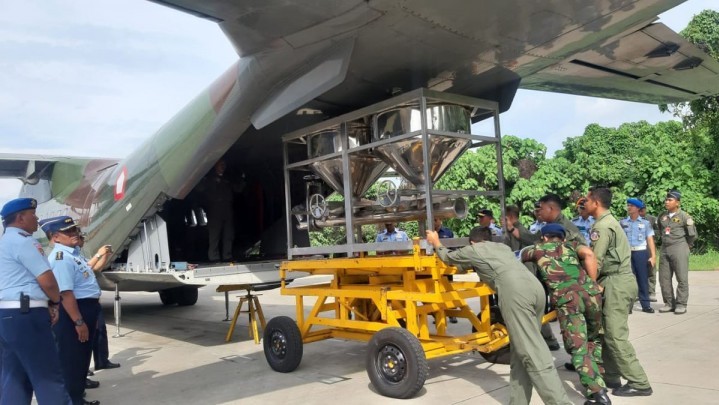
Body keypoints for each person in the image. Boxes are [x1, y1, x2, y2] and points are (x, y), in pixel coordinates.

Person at [426, 226, 572, 405]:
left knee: (532, 352)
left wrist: (436, 242)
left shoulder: (474, 249)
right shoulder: (503, 248)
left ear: (472, 241)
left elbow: (448, 257)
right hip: (535, 289)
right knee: (520, 350)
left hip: (515, 292)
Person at [521, 224, 610, 405]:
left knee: (578, 347)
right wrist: (593, 283)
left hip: (569, 301)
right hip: (591, 296)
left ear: (545, 237)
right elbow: (589, 254)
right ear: (562, 238)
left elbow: (513, 257)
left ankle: (598, 394)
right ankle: (599, 379)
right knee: (593, 339)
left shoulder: (537, 249)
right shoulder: (572, 246)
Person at [0, 198, 72, 405]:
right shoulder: (25, 242)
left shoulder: (4, 243)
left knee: (14, 378)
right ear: (21, 218)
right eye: (33, 214)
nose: (37, 218)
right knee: (47, 377)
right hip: (28, 316)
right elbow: (48, 282)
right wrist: (55, 303)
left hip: (7, 315)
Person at [584, 187, 652, 397]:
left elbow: (595, 260)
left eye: (586, 200)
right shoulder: (609, 222)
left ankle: (639, 382)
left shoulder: (603, 226)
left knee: (615, 335)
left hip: (616, 281)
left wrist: (588, 287)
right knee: (605, 333)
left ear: (595, 202)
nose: (583, 203)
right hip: (615, 280)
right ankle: (611, 375)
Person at [42, 216, 103, 405]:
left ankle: (77, 396)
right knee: (72, 358)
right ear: (55, 237)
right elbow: (66, 293)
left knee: (82, 355)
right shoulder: (61, 258)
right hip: (76, 311)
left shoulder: (73, 254)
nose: (74, 234)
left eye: (75, 230)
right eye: (68, 231)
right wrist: (78, 321)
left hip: (87, 307)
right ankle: (73, 399)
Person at [77, 233, 120, 374]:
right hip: (80, 302)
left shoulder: (79, 255)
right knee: (83, 337)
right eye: (80, 237)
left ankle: (101, 360)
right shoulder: (67, 256)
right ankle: (82, 368)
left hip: (92, 301)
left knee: (100, 331)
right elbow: (86, 268)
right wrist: (98, 254)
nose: (83, 240)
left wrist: (105, 255)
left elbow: (95, 270)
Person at [656, 190, 696, 315]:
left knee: (681, 277)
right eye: (666, 200)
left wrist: (688, 246)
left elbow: (692, 235)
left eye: (670, 200)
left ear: (677, 203)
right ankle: (669, 303)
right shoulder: (662, 216)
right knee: (664, 278)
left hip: (679, 247)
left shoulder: (685, 216)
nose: (666, 202)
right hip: (665, 249)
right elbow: (660, 229)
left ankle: (681, 304)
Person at [197, 159, 245, 262]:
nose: (222, 166)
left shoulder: (228, 178)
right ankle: (214, 257)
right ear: (215, 166)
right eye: (220, 165)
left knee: (229, 234)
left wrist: (242, 179)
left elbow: (238, 189)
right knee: (214, 234)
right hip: (214, 209)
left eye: (224, 164)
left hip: (227, 208)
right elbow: (200, 189)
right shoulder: (209, 178)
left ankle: (227, 256)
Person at [620, 198, 656, 313]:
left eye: (631, 206)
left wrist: (653, 256)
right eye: (628, 205)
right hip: (627, 253)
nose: (629, 207)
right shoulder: (622, 222)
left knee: (642, 279)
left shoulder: (645, 223)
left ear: (637, 208)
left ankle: (646, 305)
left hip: (641, 252)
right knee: (628, 280)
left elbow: (650, 239)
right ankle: (628, 306)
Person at [433, 218, 457, 323]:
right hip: (433, 266)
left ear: (440, 220)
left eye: (435, 220)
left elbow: (453, 248)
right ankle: (438, 315)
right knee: (436, 291)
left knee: (448, 290)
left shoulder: (448, 232)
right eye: (432, 220)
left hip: (446, 265)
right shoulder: (429, 233)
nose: (434, 222)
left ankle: (452, 314)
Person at [639, 206, 659, 302]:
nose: (641, 212)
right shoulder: (629, 220)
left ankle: (651, 292)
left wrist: (649, 232)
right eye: (639, 210)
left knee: (651, 270)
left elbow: (660, 231)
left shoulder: (652, 219)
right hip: (636, 249)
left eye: (643, 210)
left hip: (649, 248)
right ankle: (637, 293)